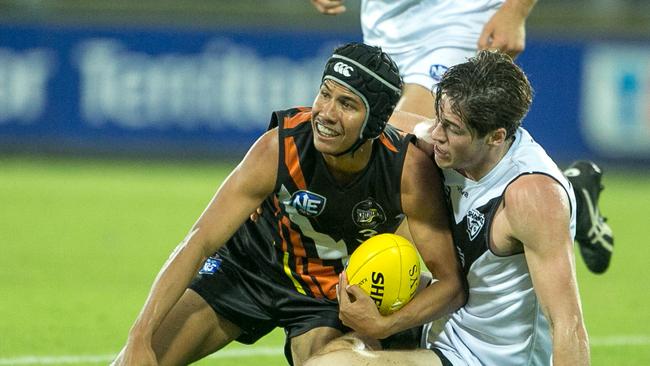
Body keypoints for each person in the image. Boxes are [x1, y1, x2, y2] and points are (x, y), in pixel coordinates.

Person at [111, 42, 465, 366]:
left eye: (347, 104)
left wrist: (386, 324)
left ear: (374, 122)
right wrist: (139, 334)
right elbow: (199, 241)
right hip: (248, 269)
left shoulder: (406, 171)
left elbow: (451, 284)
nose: (325, 113)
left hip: (328, 294)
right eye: (324, 94)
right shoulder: (279, 148)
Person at [305, 50, 590, 366]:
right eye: (438, 118)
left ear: (496, 137)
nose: (436, 134)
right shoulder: (447, 145)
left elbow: (568, 323)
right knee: (321, 350)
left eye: (453, 128)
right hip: (444, 329)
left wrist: (383, 326)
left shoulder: (531, 197)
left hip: (488, 359)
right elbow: (355, 122)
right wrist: (272, 183)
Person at [311, 0, 614, 274]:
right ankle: (570, 195)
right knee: (401, 156)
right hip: (384, 22)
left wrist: (517, 8)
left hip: (458, 17)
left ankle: (421, 295)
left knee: (394, 143)